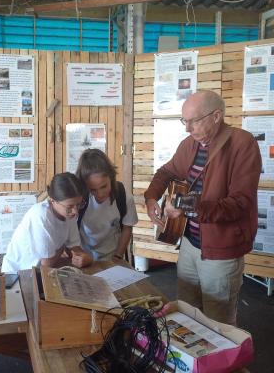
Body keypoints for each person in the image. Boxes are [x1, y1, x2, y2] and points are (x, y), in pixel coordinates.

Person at [144, 90, 261, 325]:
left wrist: (183, 205)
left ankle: (222, 362)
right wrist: (151, 198)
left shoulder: (243, 143)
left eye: (193, 121)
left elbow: (239, 204)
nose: (187, 128)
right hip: (188, 243)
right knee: (187, 313)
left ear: (216, 116)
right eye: (184, 121)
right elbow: (166, 172)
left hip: (221, 252)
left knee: (218, 323)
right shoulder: (190, 144)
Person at [1, 172, 93, 273]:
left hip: (40, 271)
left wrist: (85, 258)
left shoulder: (69, 214)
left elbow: (74, 248)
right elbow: (47, 263)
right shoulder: (41, 216)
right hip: (17, 273)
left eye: (78, 204)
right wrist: (63, 248)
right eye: (69, 206)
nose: (75, 211)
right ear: (53, 200)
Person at [76, 149, 138, 261]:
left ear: (111, 177)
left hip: (112, 254)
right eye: (93, 189)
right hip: (84, 254)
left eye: (104, 186)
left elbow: (127, 228)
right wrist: (79, 256)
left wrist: (118, 256)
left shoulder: (124, 197)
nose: (99, 194)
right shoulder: (78, 199)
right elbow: (70, 229)